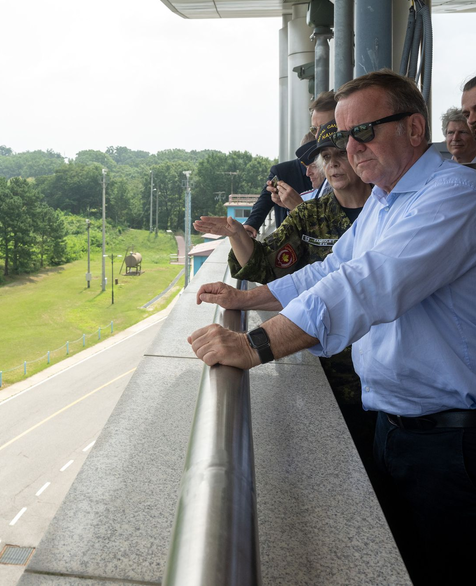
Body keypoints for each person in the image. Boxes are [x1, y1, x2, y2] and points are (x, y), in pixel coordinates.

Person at [188, 70, 476, 585]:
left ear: (414, 129)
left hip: (451, 444)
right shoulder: (387, 200)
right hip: (395, 427)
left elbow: (367, 286)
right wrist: (248, 298)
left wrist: (253, 345)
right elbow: (329, 271)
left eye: (363, 131)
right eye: (343, 137)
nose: (350, 148)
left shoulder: (455, 195)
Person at [193, 119, 373, 463]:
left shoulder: (388, 210)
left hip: (389, 379)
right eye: (325, 157)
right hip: (334, 373)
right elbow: (266, 265)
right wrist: (236, 233)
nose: (333, 163)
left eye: (340, 154)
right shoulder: (312, 215)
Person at [243, 91, 337, 236]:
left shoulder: (363, 183)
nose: (318, 135)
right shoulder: (285, 173)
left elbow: (334, 239)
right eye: (314, 129)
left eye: (324, 128)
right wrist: (251, 224)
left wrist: (298, 207)